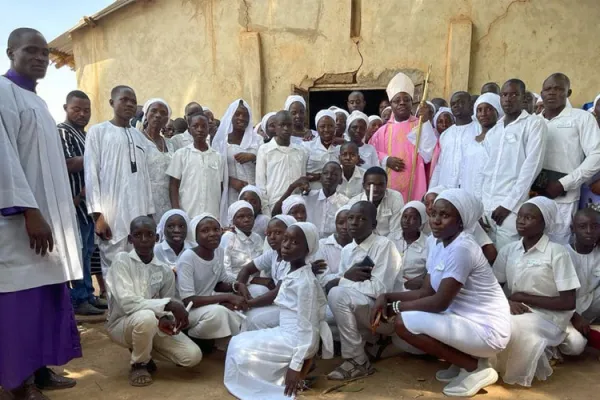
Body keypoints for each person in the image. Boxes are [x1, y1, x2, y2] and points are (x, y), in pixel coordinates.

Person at [0, 28, 83, 399]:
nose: (40, 58)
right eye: (30, 51)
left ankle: (40, 369)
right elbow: (4, 160)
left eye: (45, 52)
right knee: (20, 306)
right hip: (20, 225)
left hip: (49, 223)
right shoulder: (3, 93)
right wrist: (30, 211)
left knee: (46, 299)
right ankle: (18, 383)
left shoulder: (38, 102)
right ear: (10, 52)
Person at [373, 189, 511, 397]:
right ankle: (463, 363)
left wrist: (395, 308)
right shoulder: (437, 243)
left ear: (461, 222)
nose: (435, 221)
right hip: (465, 320)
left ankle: (474, 367)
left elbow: (439, 303)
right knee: (410, 316)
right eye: (434, 214)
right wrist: (387, 297)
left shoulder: (462, 248)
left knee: (403, 322)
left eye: (445, 216)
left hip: (487, 329)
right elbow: (426, 291)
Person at [225, 222, 332, 399]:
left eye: (295, 242)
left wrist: (296, 366)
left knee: (241, 352)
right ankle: (271, 378)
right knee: (237, 342)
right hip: (285, 332)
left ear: (308, 249)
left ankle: (279, 383)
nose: (286, 245)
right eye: (286, 239)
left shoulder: (305, 283)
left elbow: (308, 329)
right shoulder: (293, 274)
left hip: (294, 341)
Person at [493, 196, 580, 387]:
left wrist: (525, 297)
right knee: (493, 322)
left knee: (517, 328)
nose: (521, 221)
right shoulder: (509, 250)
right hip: (515, 308)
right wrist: (507, 302)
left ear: (544, 223)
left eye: (529, 218)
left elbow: (568, 302)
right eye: (520, 216)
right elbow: (494, 286)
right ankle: (484, 369)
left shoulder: (557, 252)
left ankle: (516, 371)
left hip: (550, 315)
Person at [105, 216, 202, 387]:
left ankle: (145, 349)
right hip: (122, 324)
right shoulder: (122, 260)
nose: (144, 240)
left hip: (153, 324)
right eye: (138, 235)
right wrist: (167, 305)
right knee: (146, 317)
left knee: (192, 357)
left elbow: (167, 306)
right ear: (130, 239)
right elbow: (127, 303)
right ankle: (139, 364)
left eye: (149, 234)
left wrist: (167, 317)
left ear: (156, 238)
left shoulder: (164, 270)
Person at [326, 202, 402, 380]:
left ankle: (358, 360)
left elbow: (379, 290)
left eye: (361, 219)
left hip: (384, 314)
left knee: (337, 295)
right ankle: (371, 344)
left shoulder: (384, 246)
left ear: (374, 225)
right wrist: (345, 278)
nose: (353, 222)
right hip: (364, 310)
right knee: (322, 315)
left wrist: (342, 280)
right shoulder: (347, 250)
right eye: (350, 218)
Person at [85, 85, 154, 276]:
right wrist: (97, 216)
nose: (130, 104)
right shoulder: (98, 132)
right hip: (112, 216)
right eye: (124, 100)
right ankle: (117, 307)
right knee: (114, 269)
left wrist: (149, 214)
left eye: (133, 101)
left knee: (140, 268)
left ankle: (139, 306)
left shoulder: (139, 137)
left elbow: (145, 177)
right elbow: (91, 175)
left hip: (139, 214)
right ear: (112, 103)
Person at [480, 79, 546, 250]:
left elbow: (531, 167)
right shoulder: (495, 130)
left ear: (523, 97)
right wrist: (480, 207)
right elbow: (484, 171)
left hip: (510, 208)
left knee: (506, 257)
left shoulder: (534, 124)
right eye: (504, 95)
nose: (508, 99)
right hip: (486, 206)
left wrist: (508, 205)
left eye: (514, 94)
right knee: (484, 258)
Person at [57, 90, 106, 316]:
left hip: (87, 205)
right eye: (76, 109)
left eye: (86, 110)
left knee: (86, 251)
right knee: (77, 252)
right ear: (65, 108)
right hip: (73, 204)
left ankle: (87, 294)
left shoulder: (85, 135)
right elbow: (67, 164)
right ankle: (78, 299)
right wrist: (98, 157)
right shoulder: (63, 132)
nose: (82, 114)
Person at [541, 73, 600, 244]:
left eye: (558, 89)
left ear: (568, 92)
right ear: (542, 93)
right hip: (533, 196)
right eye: (548, 89)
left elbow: (596, 155)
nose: (552, 93)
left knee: (559, 248)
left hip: (564, 199)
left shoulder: (581, 118)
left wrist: (564, 183)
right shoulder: (534, 121)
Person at [177, 213, 248, 344]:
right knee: (219, 313)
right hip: (187, 311)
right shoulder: (188, 258)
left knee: (237, 315)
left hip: (206, 305)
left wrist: (236, 286)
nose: (212, 234)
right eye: (205, 231)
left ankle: (219, 342)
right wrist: (227, 297)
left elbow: (218, 283)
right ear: (195, 236)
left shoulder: (218, 251)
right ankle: (192, 335)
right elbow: (188, 300)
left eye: (216, 229)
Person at [370, 72, 430, 202]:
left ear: (412, 103)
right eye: (397, 101)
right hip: (390, 186)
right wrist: (386, 159)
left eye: (406, 100)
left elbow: (430, 154)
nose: (402, 103)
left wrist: (425, 123)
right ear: (391, 105)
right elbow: (370, 151)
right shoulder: (383, 131)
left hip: (415, 184)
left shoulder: (420, 125)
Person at [236, 215, 297, 331]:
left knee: (253, 318)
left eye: (278, 232)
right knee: (249, 307)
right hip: (281, 302)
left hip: (293, 307)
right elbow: (246, 269)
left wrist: (247, 303)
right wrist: (240, 286)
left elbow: (277, 292)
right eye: (268, 234)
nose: (272, 237)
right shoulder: (273, 253)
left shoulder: (293, 258)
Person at [212, 99, 263, 221]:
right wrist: (230, 181)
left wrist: (253, 157)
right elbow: (214, 169)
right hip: (230, 191)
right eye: (237, 114)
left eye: (245, 115)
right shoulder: (221, 141)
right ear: (231, 116)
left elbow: (267, 163)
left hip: (252, 190)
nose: (241, 118)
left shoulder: (258, 140)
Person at [558, 208, 600, 356]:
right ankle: (586, 335)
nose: (589, 231)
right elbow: (551, 295)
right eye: (583, 226)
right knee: (575, 346)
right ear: (573, 229)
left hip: (591, 309)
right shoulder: (560, 253)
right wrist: (574, 316)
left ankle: (591, 331)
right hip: (565, 314)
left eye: (595, 226)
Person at [167, 112, 224, 218]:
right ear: (189, 130)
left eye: (204, 126)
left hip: (212, 213)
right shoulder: (181, 154)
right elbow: (173, 185)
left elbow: (220, 186)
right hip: (188, 213)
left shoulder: (218, 157)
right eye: (195, 126)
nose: (200, 129)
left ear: (208, 129)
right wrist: (177, 211)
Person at [424, 186, 498, 265]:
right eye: (427, 204)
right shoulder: (431, 239)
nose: (430, 207)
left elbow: (491, 253)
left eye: (434, 201)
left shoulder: (469, 231)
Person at [256, 110, 308, 213]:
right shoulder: (265, 150)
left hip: (296, 205)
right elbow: (261, 184)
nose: (286, 129)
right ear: (275, 127)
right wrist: (266, 212)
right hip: (273, 205)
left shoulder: (300, 151)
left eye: (289, 125)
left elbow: (302, 179)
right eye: (282, 125)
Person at [430, 91, 478, 189]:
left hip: (470, 187)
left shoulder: (479, 130)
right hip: (445, 186)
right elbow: (439, 165)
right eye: (453, 104)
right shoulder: (445, 135)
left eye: (460, 102)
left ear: (470, 105)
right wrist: (432, 190)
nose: (456, 105)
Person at [460, 93, 503, 200]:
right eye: (479, 110)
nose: (483, 113)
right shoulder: (471, 142)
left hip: (492, 197)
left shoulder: (502, 139)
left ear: (497, 112)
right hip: (469, 194)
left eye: (488, 109)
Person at [139, 98, 174, 223]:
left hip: (167, 200)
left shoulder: (170, 144)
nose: (158, 115)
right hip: (144, 201)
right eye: (153, 111)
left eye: (163, 113)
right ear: (146, 114)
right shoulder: (137, 140)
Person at [349, 167, 404, 238]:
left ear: (386, 185)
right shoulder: (355, 202)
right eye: (371, 184)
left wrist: (382, 247)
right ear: (364, 185)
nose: (375, 189)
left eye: (380, 184)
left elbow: (396, 231)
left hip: (388, 243)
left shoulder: (395, 198)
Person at [389, 201, 429, 291]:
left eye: (413, 218)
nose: (406, 221)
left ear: (421, 222)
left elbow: (429, 272)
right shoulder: (391, 238)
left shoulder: (428, 244)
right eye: (405, 216)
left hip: (413, 290)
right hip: (389, 285)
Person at [304, 162, 349, 238]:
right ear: (321, 177)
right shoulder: (308, 197)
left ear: (340, 180)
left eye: (334, 174)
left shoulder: (345, 203)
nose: (329, 177)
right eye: (325, 173)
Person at [221, 201, 263, 280]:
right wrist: (250, 281)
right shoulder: (228, 237)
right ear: (232, 220)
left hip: (257, 282)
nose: (247, 219)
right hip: (233, 284)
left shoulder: (257, 238)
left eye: (250, 216)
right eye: (241, 216)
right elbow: (225, 270)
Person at [315, 205, 352, 287]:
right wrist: (348, 276)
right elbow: (322, 280)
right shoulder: (322, 245)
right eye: (340, 223)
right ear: (335, 224)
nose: (345, 227)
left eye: (349, 223)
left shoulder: (359, 245)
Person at [303, 110, 340, 190]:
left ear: (335, 127)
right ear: (317, 128)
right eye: (322, 126)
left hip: (336, 194)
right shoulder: (307, 147)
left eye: (330, 126)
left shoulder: (341, 148)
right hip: (312, 193)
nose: (326, 129)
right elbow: (300, 173)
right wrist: (320, 176)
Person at [428, 106, 456, 181]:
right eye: (440, 122)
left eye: (448, 121)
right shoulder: (431, 141)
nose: (444, 125)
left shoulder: (457, 141)